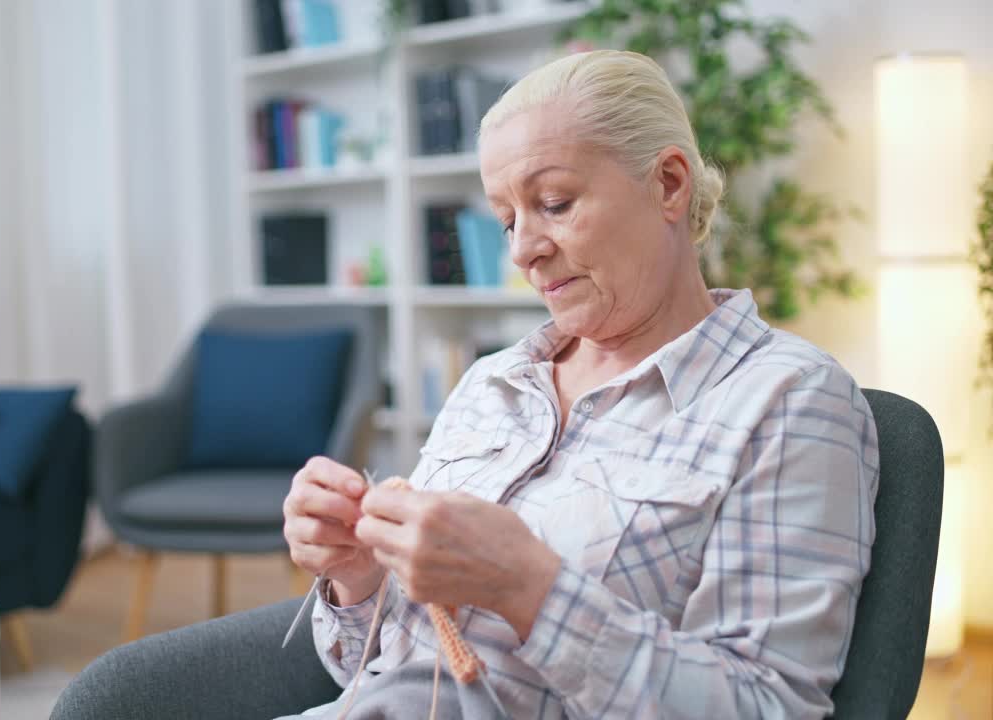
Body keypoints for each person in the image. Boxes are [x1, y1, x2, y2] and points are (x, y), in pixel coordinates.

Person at [281, 49, 878, 719]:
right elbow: (382, 664)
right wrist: (359, 575)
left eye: (555, 204)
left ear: (670, 185)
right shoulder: (493, 382)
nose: (520, 249)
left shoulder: (788, 402)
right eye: (508, 220)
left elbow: (770, 707)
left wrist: (531, 588)